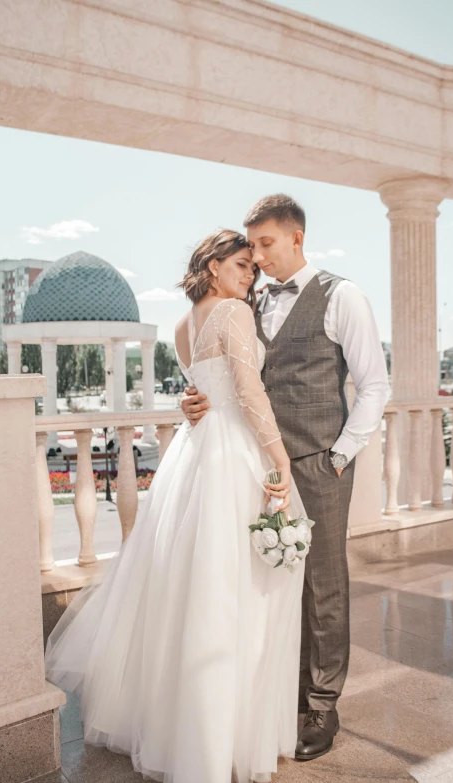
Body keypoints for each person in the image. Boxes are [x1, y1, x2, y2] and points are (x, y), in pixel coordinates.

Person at [45, 228, 307, 783]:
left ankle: (184, 731)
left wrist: (194, 408)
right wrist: (279, 460)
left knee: (188, 590)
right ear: (212, 265)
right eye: (241, 264)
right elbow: (248, 390)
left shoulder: (185, 323)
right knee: (238, 591)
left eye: (254, 268)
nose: (250, 274)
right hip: (232, 452)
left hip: (195, 454)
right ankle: (226, 740)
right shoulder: (234, 314)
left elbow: (199, 392)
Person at [182, 195, 391, 762]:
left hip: (318, 463)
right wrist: (199, 401)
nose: (257, 256)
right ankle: (285, 694)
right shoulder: (245, 298)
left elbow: (374, 384)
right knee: (272, 584)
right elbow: (230, 372)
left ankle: (322, 704)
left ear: (296, 237)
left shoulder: (341, 295)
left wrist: (340, 455)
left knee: (323, 585)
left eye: (266, 244)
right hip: (255, 463)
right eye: (251, 247)